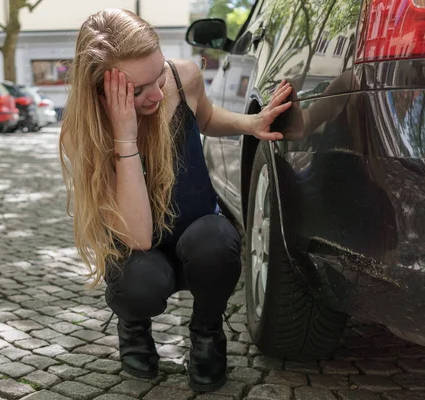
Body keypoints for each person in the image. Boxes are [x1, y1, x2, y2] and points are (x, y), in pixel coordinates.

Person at [59, 8, 292, 392]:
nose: (155, 94)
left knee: (218, 241)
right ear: (100, 92)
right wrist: (125, 138)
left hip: (197, 235)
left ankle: (206, 332)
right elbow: (138, 239)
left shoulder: (183, 77)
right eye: (135, 91)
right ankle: (134, 327)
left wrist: (249, 123)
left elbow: (205, 116)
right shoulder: (83, 133)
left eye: (158, 77)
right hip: (141, 253)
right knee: (141, 283)